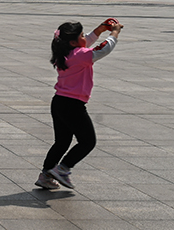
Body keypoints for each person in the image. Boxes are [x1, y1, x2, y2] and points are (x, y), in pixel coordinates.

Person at [36, 18, 123, 190]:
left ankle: (46, 174)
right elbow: (103, 49)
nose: (86, 37)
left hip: (59, 102)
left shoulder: (66, 53)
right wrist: (115, 32)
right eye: (82, 34)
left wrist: (99, 30)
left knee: (62, 142)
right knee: (88, 141)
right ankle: (63, 168)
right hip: (73, 105)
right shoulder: (81, 56)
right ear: (73, 41)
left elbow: (86, 42)